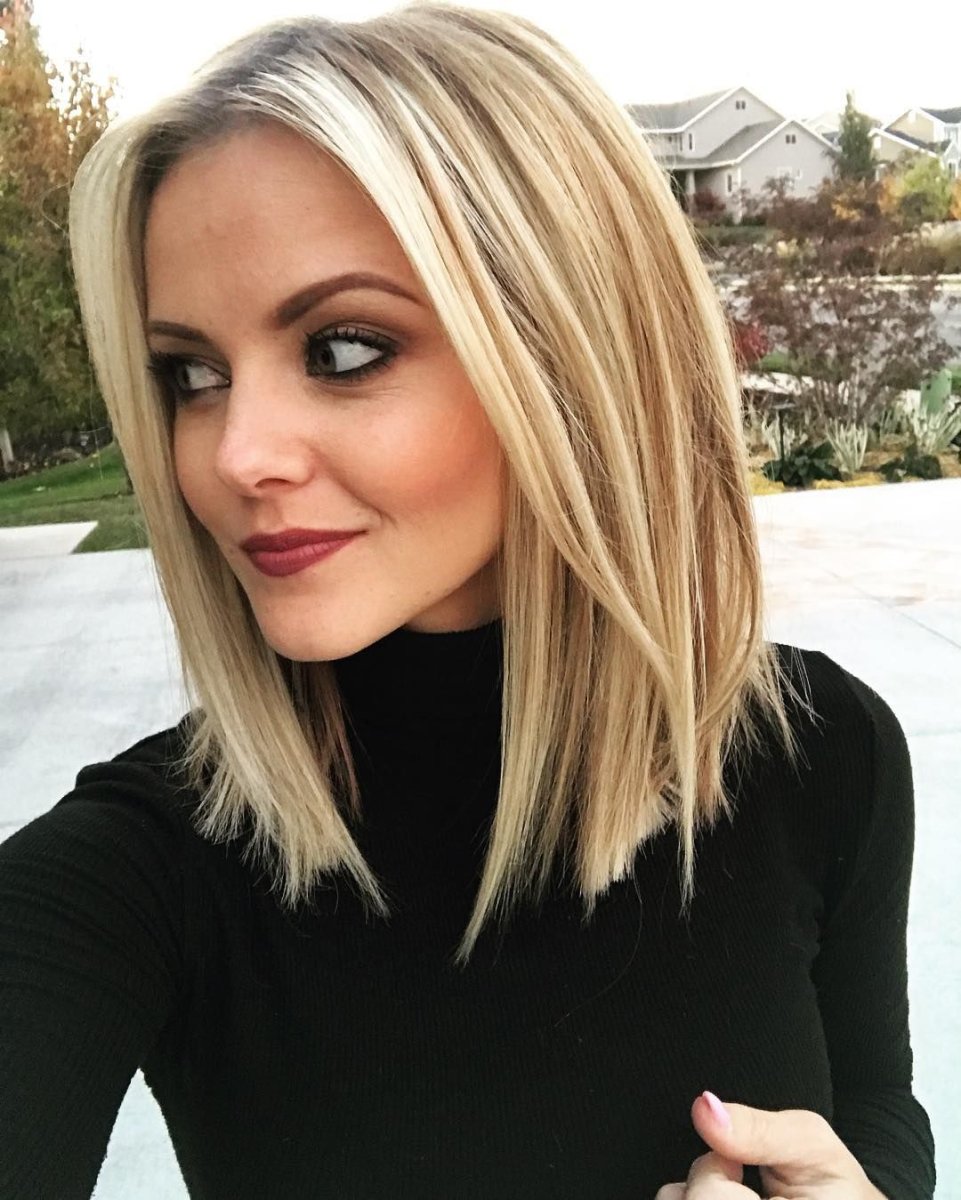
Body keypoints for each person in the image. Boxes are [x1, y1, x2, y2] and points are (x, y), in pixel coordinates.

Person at [0, 4, 935, 1197]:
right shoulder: (140, 872)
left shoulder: (819, 752)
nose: (235, 456)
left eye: (342, 350)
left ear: (571, 355)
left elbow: (875, 1102)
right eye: (191, 373)